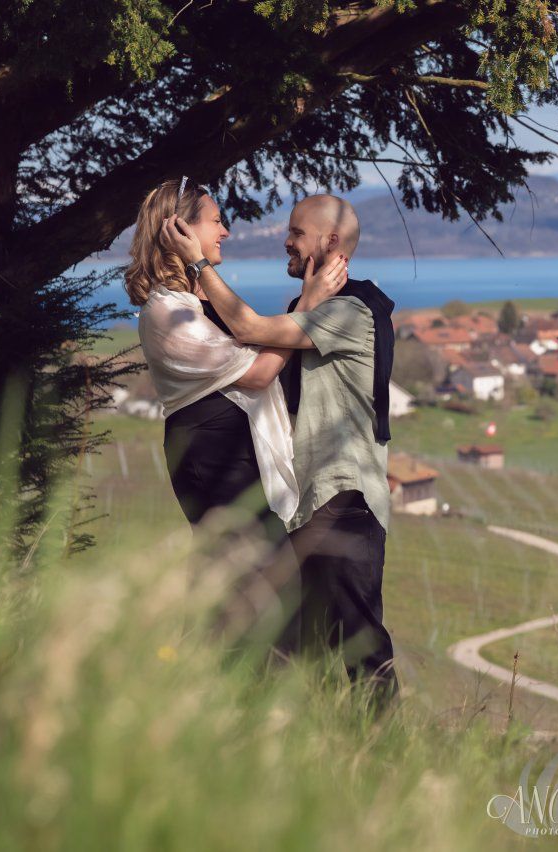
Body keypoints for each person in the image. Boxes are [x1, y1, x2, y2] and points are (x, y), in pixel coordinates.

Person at [161, 193, 399, 712]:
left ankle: (384, 754)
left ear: (330, 241)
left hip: (345, 497)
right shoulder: (309, 307)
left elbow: (249, 330)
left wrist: (198, 264)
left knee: (359, 642)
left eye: (296, 232)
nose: (285, 240)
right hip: (309, 503)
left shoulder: (352, 310)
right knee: (302, 644)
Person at [125, 177, 347, 662]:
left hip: (226, 458)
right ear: (178, 230)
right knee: (261, 597)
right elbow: (261, 372)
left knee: (235, 595)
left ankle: (210, 705)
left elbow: (257, 341)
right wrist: (309, 304)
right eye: (216, 221)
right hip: (212, 461)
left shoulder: (193, 305)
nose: (225, 232)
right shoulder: (167, 313)